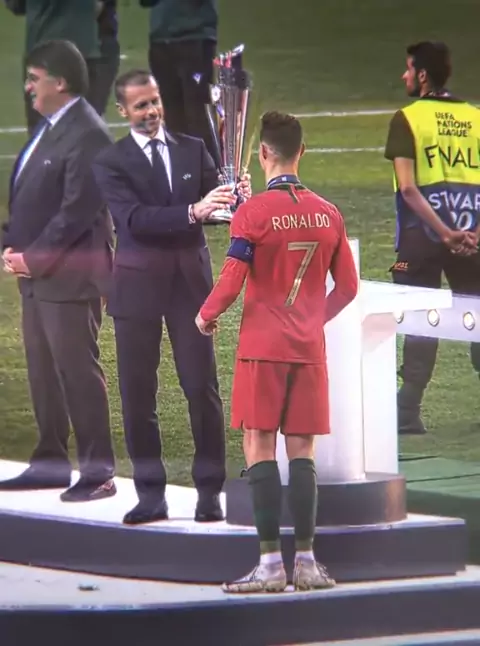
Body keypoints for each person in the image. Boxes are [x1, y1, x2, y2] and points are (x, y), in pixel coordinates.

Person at [196, 111, 358, 593]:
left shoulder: (253, 213)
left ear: (263, 153)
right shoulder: (329, 213)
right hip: (308, 350)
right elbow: (348, 289)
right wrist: (311, 321)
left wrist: (205, 315)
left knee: (259, 443)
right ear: (301, 152)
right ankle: (306, 562)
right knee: (302, 450)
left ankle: (270, 566)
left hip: (262, 348)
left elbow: (232, 278)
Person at [92, 69, 251, 525]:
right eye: (141, 105)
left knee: (201, 388)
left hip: (189, 286)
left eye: (155, 101)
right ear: (123, 110)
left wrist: (236, 197)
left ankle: (209, 493)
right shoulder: (110, 162)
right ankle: (150, 496)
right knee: (138, 395)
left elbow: (218, 208)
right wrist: (192, 211)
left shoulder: (192, 148)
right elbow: (133, 220)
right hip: (136, 288)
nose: (151, 111)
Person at [0, 39, 116, 501]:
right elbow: (33, 200)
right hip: (38, 276)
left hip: (70, 276)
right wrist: (11, 244)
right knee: (43, 373)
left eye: (35, 78)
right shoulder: (51, 129)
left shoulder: (88, 135)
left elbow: (76, 211)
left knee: (77, 371)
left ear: (61, 81)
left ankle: (99, 471)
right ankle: (50, 462)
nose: (28, 86)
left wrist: (32, 257)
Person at [384, 41, 480, 435]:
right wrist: (471, 235)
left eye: (408, 69)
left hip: (420, 238)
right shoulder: (475, 117)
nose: (404, 75)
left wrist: (443, 233)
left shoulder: (407, 119)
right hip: (472, 236)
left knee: (421, 319)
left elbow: (408, 188)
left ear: (422, 75)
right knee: (479, 315)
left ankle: (407, 411)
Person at [5, 0, 116, 134]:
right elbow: (100, 6)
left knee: (44, 131)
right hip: (84, 50)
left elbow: (16, 6)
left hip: (44, 49)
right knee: (85, 129)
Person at [140, 0, 219, 166]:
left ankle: (212, 173)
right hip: (161, 40)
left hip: (194, 37)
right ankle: (182, 173)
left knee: (199, 116)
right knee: (171, 117)